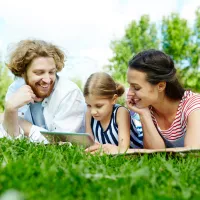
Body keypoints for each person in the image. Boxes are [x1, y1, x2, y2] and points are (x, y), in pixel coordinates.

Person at [0, 39, 85, 143]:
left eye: (51, 72)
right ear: (23, 72)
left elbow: (62, 144)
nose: (47, 80)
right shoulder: (15, 88)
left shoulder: (69, 93)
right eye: (39, 73)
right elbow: (11, 140)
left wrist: (26, 127)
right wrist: (10, 109)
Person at [126, 49, 200, 149]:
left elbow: (193, 153)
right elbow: (156, 156)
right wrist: (144, 115)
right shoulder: (148, 108)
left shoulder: (193, 105)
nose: (129, 93)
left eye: (136, 87)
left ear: (160, 86)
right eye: (130, 86)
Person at [84, 72, 143, 153]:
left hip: (138, 147)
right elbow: (89, 144)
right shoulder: (89, 114)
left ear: (113, 99)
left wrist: (99, 149)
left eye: (99, 106)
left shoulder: (121, 113)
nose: (93, 111)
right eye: (89, 105)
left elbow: (123, 149)